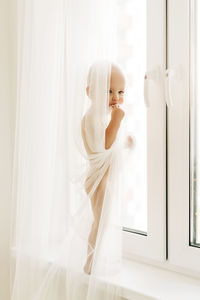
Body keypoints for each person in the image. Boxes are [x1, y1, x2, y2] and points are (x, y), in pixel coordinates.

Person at [81, 61, 133, 275]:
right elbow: (105, 144)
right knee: (99, 223)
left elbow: (109, 149)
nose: (115, 97)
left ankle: (96, 259)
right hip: (98, 181)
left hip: (104, 178)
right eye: (109, 91)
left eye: (120, 92)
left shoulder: (101, 117)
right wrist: (117, 121)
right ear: (90, 92)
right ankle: (90, 262)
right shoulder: (93, 117)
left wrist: (126, 144)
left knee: (104, 221)